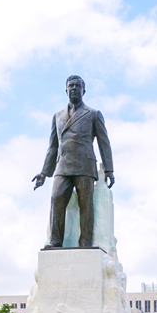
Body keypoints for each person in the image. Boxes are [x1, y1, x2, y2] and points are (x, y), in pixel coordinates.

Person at [33, 75, 114, 249]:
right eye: (71, 86)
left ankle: (85, 242)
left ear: (84, 90)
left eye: (78, 86)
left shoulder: (93, 114)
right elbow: (53, 147)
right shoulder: (57, 116)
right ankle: (55, 241)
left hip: (85, 165)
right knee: (56, 199)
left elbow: (103, 143)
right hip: (63, 166)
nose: (74, 88)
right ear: (66, 90)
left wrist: (109, 169)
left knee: (86, 204)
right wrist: (44, 173)